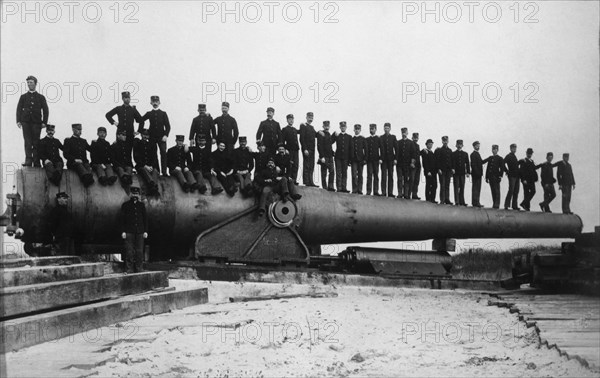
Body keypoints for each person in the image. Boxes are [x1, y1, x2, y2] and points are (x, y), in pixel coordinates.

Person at [17, 75, 49, 167]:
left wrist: (44, 122)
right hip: (25, 122)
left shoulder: (41, 97)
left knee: (36, 142)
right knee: (27, 142)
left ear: (35, 83)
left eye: (31, 82)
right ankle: (28, 161)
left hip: (36, 122)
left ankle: (36, 161)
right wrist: (18, 121)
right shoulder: (23, 97)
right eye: (28, 83)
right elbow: (19, 109)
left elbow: (46, 110)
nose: (29, 84)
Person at [140, 96, 171, 176]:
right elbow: (140, 120)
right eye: (153, 102)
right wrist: (142, 130)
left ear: (159, 103)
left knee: (163, 153)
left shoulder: (163, 113)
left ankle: (164, 172)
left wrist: (166, 135)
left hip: (162, 137)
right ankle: (156, 170)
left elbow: (168, 126)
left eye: (156, 102)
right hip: (152, 137)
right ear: (151, 103)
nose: (155, 103)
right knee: (153, 153)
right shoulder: (149, 114)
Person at [120, 186, 148, 273]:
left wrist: (145, 231)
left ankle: (139, 269)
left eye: (136, 194)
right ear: (130, 194)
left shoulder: (141, 206)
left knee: (139, 251)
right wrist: (123, 231)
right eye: (133, 193)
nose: (135, 195)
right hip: (129, 231)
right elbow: (122, 219)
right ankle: (129, 269)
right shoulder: (125, 205)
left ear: (138, 195)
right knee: (129, 251)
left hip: (140, 231)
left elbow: (145, 219)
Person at [133, 129, 160, 196]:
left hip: (150, 166)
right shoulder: (138, 143)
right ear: (141, 135)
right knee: (143, 170)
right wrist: (145, 165)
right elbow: (136, 157)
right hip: (141, 166)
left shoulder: (152, 145)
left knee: (155, 171)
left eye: (147, 135)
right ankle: (152, 184)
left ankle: (153, 187)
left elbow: (154, 157)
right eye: (144, 135)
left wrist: (152, 166)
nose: (145, 136)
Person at [396, 127, 417, 199]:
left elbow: (413, 154)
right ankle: (400, 193)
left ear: (407, 133)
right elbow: (397, 153)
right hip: (399, 164)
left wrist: (412, 163)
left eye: (405, 133)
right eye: (402, 133)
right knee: (399, 179)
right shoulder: (398, 142)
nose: (404, 134)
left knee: (406, 179)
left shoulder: (411, 143)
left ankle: (406, 194)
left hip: (407, 165)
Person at [299, 112, 318, 187]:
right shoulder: (303, 126)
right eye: (309, 116)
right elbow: (301, 138)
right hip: (307, 149)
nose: (311, 118)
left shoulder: (312, 127)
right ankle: (306, 181)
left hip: (312, 149)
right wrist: (305, 149)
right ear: (306, 117)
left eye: (312, 116)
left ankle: (311, 181)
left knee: (311, 165)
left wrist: (320, 131)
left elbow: (316, 135)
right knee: (306, 165)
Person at [333, 121, 352, 193]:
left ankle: (344, 187)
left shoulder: (349, 137)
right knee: (338, 173)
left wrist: (350, 159)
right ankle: (339, 188)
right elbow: (330, 142)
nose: (343, 128)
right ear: (340, 127)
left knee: (344, 173)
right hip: (338, 157)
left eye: (344, 126)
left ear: (346, 127)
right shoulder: (337, 136)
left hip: (345, 158)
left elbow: (350, 148)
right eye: (342, 127)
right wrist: (334, 134)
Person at [379, 123, 397, 197]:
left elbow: (396, 148)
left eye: (387, 128)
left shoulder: (393, 137)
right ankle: (383, 192)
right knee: (383, 176)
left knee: (390, 176)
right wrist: (380, 158)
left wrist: (395, 159)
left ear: (390, 129)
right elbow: (380, 149)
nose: (386, 129)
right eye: (385, 128)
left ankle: (390, 192)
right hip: (383, 160)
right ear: (383, 129)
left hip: (391, 160)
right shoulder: (381, 137)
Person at [317, 120, 335, 191]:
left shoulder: (329, 134)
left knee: (332, 171)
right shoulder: (321, 133)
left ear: (329, 126)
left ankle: (331, 186)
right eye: (325, 126)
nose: (326, 127)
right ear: (323, 126)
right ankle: (324, 187)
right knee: (324, 172)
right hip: (324, 156)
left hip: (330, 156)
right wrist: (322, 157)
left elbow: (330, 143)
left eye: (328, 126)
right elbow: (319, 146)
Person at [281, 114, 300, 184]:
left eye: (292, 119)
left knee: (296, 165)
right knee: (290, 165)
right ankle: (290, 180)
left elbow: (301, 131)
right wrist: (285, 149)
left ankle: (294, 180)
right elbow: (282, 141)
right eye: (289, 119)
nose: (291, 120)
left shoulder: (294, 129)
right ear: (287, 120)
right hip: (289, 150)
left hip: (296, 150)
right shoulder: (285, 129)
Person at [435, 136, 454, 204]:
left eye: (446, 141)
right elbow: (437, 160)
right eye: (444, 141)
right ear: (442, 141)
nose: (445, 142)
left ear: (448, 141)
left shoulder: (450, 151)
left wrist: (452, 169)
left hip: (448, 171)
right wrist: (438, 169)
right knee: (442, 185)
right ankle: (442, 200)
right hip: (442, 171)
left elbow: (451, 161)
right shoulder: (439, 150)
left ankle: (447, 199)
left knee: (447, 185)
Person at [485, 144, 504, 209]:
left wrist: (500, 176)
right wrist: (486, 177)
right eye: (493, 149)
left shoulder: (500, 158)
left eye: (495, 149)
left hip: (496, 177)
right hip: (490, 177)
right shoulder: (490, 158)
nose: (494, 151)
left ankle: (497, 204)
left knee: (497, 191)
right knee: (493, 190)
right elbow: (488, 168)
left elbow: (502, 168)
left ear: (497, 150)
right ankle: (494, 203)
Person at [452, 139, 470, 206]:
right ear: (456, 145)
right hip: (456, 173)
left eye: (460, 144)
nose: (459, 146)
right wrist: (452, 169)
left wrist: (468, 172)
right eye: (458, 144)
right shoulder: (453, 154)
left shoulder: (465, 154)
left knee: (462, 187)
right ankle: (457, 201)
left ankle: (462, 201)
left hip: (462, 173)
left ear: (462, 145)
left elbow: (467, 163)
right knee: (456, 187)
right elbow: (452, 162)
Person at [350, 124, 366, 194]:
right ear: (354, 130)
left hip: (360, 160)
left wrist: (365, 159)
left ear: (360, 130)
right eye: (356, 129)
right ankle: (354, 189)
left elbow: (366, 149)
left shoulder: (363, 139)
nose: (357, 130)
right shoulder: (352, 139)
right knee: (354, 175)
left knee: (360, 175)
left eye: (358, 129)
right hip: (354, 160)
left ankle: (360, 189)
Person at [365, 124, 381, 196]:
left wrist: (381, 158)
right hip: (369, 160)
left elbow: (382, 149)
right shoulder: (367, 139)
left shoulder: (378, 139)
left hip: (376, 160)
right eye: (370, 129)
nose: (371, 130)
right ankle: (368, 191)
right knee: (369, 175)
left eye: (373, 129)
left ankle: (376, 191)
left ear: (375, 129)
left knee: (376, 175)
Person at [504, 143, 520, 210]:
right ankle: (507, 205)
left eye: (515, 148)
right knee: (511, 190)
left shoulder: (514, 156)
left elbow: (515, 165)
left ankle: (514, 205)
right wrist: (507, 171)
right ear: (510, 149)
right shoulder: (508, 156)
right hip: (512, 176)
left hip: (517, 176)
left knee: (516, 191)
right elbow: (503, 163)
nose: (514, 149)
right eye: (513, 148)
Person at [470, 141, 484, 207]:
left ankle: (476, 201)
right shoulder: (473, 154)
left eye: (479, 145)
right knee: (475, 188)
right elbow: (473, 165)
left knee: (478, 188)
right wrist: (477, 173)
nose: (478, 147)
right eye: (477, 145)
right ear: (474, 146)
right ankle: (475, 202)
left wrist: (488, 159)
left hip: (478, 174)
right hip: (476, 175)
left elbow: (481, 162)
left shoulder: (477, 154)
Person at [411, 132, 421, 200]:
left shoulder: (417, 145)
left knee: (416, 180)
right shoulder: (410, 144)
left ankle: (415, 194)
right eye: (414, 138)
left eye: (417, 138)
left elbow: (419, 153)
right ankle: (409, 194)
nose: (416, 139)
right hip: (413, 164)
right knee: (412, 179)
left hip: (418, 165)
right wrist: (411, 163)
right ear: (412, 138)